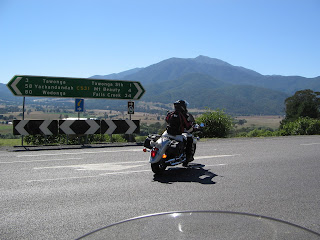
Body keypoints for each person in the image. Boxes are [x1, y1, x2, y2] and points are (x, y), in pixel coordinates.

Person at [164, 100, 195, 165]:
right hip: (177, 134)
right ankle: (188, 157)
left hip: (168, 133)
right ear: (183, 107)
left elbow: (166, 120)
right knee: (189, 140)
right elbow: (188, 126)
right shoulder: (183, 115)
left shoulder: (170, 113)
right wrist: (192, 128)